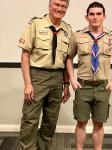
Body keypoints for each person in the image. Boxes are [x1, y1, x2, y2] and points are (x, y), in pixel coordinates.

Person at [66, 2, 112, 150]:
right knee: (81, 122)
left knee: (99, 123)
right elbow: (69, 58)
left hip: (102, 87)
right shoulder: (77, 36)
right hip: (83, 86)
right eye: (92, 14)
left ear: (104, 16)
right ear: (86, 17)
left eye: (98, 14)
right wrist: (72, 79)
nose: (95, 17)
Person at [17, 0, 72, 149]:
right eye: (56, 4)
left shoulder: (68, 29)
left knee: (50, 120)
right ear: (49, 5)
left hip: (58, 78)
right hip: (37, 76)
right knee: (30, 119)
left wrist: (66, 85)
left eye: (63, 6)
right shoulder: (35, 24)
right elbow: (25, 54)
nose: (59, 8)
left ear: (66, 9)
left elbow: (67, 59)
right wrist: (28, 84)